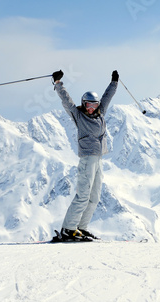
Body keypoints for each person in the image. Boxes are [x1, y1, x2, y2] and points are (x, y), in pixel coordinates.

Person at [52, 69, 118, 241]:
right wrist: (58, 83)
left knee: (94, 196)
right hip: (87, 159)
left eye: (94, 105)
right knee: (83, 195)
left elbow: (107, 97)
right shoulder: (79, 116)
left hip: (98, 159)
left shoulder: (100, 114)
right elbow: (67, 102)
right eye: (88, 105)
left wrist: (114, 82)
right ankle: (68, 228)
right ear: (83, 104)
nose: (91, 108)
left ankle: (81, 227)